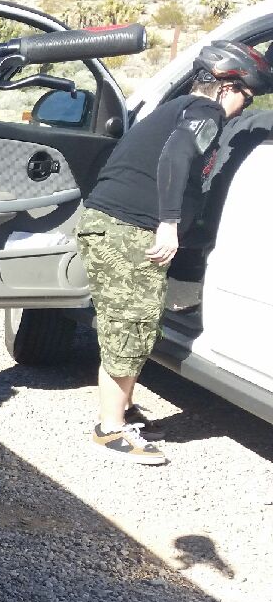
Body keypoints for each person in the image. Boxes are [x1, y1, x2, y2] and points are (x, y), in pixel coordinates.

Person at [78, 40, 271, 464]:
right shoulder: (205, 112)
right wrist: (168, 222)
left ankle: (121, 410)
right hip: (128, 228)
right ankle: (110, 429)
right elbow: (176, 157)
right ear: (226, 87)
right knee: (131, 325)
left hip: (113, 224)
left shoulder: (179, 107)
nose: (245, 105)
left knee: (131, 321)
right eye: (246, 95)